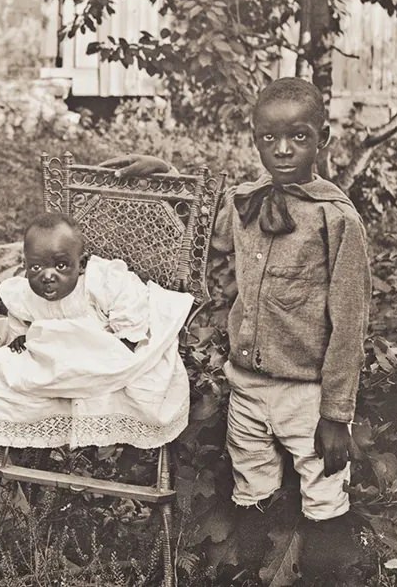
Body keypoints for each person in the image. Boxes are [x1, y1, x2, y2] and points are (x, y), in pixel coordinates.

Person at [101, 77, 371, 581]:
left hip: (307, 393)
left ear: (324, 138)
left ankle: (328, 576)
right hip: (247, 383)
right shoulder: (246, 202)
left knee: (324, 490)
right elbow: (203, 224)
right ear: (254, 138)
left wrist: (336, 414)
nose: (284, 150)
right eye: (269, 139)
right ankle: (252, 572)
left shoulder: (337, 221)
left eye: (299, 137)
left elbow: (350, 322)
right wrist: (163, 176)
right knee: (252, 485)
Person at [0, 212, 195, 450]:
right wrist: (21, 335)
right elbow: (21, 316)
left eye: (61, 266)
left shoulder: (99, 282)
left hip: (103, 344)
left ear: (81, 265)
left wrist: (127, 335)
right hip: (61, 354)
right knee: (16, 378)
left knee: (138, 382)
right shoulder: (27, 295)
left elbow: (128, 301)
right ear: (26, 265)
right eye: (36, 267)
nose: (48, 276)